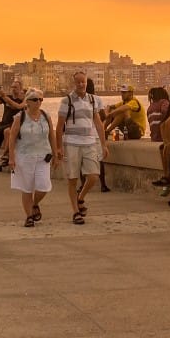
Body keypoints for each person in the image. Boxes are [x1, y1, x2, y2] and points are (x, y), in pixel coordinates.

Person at [56, 72, 107, 225]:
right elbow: (59, 126)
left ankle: (80, 197)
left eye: (83, 82)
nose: (81, 85)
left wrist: (104, 144)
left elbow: (98, 123)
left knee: (93, 176)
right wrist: (59, 147)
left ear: (86, 82)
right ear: (74, 83)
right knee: (72, 179)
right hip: (72, 143)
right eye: (78, 82)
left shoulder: (92, 100)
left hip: (90, 142)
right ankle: (75, 212)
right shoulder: (67, 101)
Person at [5, 89, 55, 227]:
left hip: (43, 156)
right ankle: (29, 217)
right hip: (24, 156)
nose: (38, 102)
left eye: (40, 99)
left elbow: (51, 135)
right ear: (27, 102)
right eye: (35, 99)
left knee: (43, 186)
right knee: (26, 188)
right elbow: (12, 137)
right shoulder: (19, 117)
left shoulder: (46, 116)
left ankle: (34, 204)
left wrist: (56, 153)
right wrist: (11, 157)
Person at [0, 81, 28, 172]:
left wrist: (4, 97)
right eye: (12, 87)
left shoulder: (24, 99)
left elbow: (18, 107)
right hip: (4, 123)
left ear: (20, 88)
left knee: (7, 132)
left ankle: (5, 156)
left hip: (15, 123)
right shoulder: (8, 97)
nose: (13, 89)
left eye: (15, 87)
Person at [147, 87, 170, 189]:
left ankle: (166, 178)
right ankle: (168, 177)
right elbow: (166, 114)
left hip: (154, 137)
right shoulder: (165, 102)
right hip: (164, 136)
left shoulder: (150, 107)